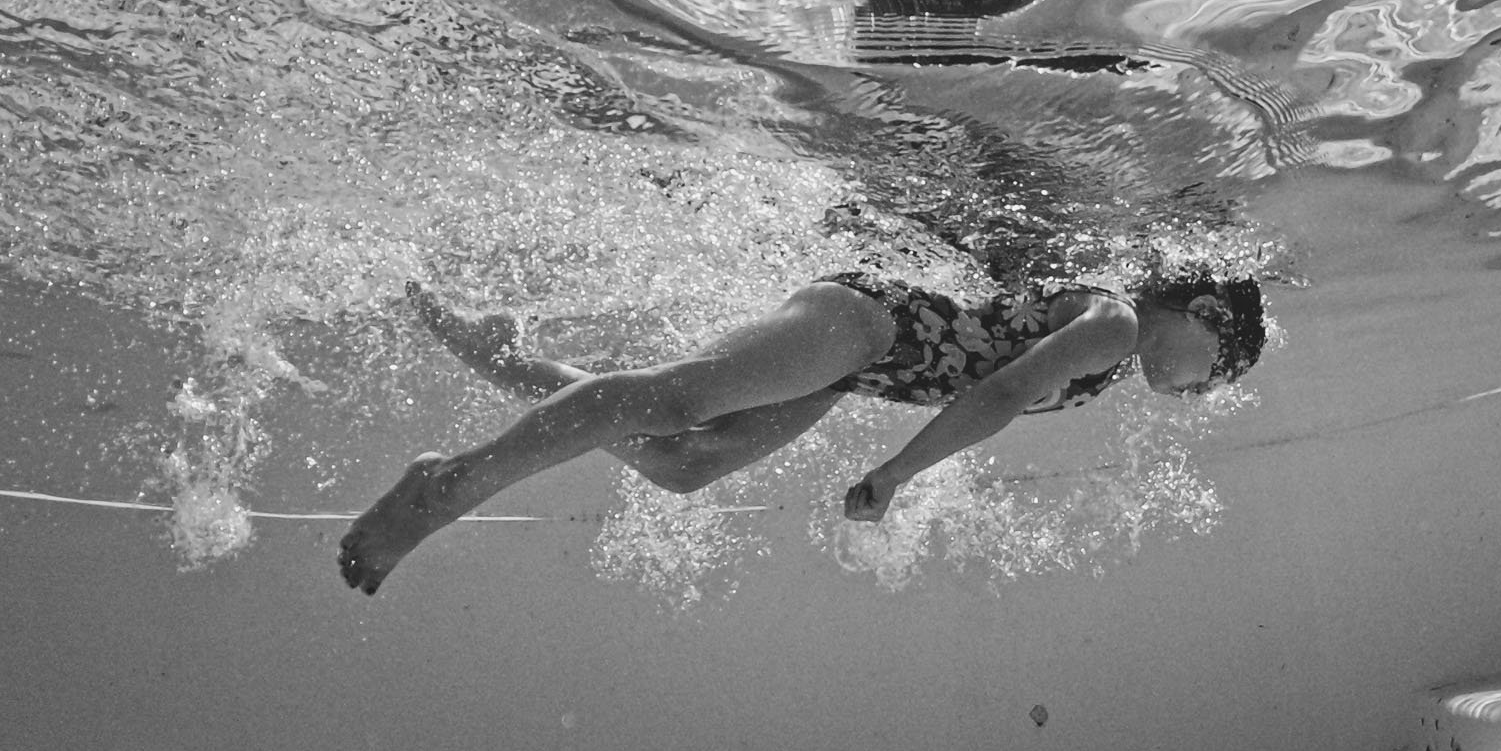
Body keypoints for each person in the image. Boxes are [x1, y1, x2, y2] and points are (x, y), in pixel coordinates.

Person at [337, 267, 1265, 594]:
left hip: (865, 365)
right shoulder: (1111, 325)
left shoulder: (1108, 362)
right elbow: (991, 399)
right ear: (1208, 318)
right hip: (867, 322)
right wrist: (899, 474)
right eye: (1212, 377)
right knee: (676, 400)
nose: (1193, 396)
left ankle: (504, 355)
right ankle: (451, 484)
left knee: (685, 465)